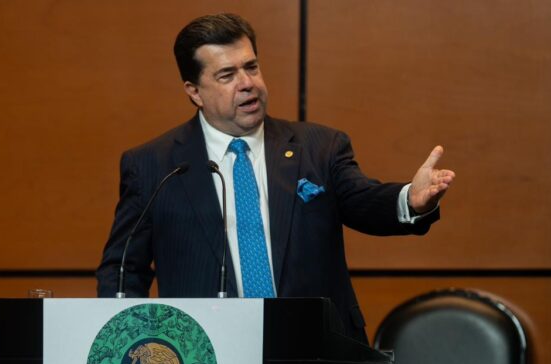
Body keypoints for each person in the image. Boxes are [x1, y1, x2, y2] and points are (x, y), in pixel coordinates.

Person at [96, 13, 455, 344]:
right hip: (207, 358)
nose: (247, 84)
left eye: (251, 67)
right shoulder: (154, 165)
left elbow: (363, 201)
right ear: (194, 91)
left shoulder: (319, 146)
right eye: (227, 75)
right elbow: (124, 268)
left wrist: (409, 200)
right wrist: (132, 345)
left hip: (315, 350)